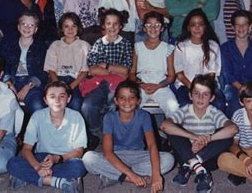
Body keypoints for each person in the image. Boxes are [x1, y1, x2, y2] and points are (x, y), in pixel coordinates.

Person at [83, 80, 175, 192]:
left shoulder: (144, 116)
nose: (127, 101)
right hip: (115, 156)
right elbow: (107, 152)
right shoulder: (109, 117)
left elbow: (152, 146)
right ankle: (130, 178)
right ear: (116, 101)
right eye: (122, 98)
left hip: (138, 156)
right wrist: (131, 175)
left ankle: (114, 176)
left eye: (131, 97)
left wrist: (156, 175)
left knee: (169, 159)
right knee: (88, 158)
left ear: (138, 101)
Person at [160, 75, 237, 193]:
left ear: (211, 98)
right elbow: (164, 125)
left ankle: (190, 166)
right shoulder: (185, 110)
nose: (200, 98)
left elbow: (233, 129)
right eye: (196, 93)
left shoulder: (214, 112)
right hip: (185, 153)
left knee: (227, 137)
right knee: (173, 129)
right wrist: (193, 137)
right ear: (190, 95)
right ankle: (199, 169)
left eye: (205, 94)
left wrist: (207, 139)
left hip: (207, 156)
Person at [7, 81, 87, 192]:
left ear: (68, 99)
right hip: (42, 158)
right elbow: (26, 149)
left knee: (79, 167)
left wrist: (57, 158)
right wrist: (37, 167)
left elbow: (78, 152)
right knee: (12, 163)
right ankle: (56, 182)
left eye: (62, 96)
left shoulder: (76, 117)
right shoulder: (37, 116)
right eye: (52, 96)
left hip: (64, 158)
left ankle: (30, 177)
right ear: (45, 100)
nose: (57, 100)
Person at [80, 8, 133, 149]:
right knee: (87, 106)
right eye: (108, 23)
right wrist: (114, 70)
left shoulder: (125, 44)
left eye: (116, 24)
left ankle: (113, 135)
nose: (112, 27)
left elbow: (126, 70)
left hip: (118, 85)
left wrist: (106, 66)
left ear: (121, 26)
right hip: (98, 84)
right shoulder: (98, 44)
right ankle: (97, 132)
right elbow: (92, 69)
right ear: (103, 25)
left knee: (114, 104)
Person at [172, 8, 227, 113]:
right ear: (188, 27)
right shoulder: (181, 46)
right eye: (193, 25)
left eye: (200, 24)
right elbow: (180, 74)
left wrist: (202, 89)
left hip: (209, 86)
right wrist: (193, 89)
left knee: (219, 104)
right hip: (186, 86)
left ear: (205, 26)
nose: (197, 28)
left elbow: (211, 73)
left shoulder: (213, 46)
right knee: (185, 105)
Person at [129, 11, 179, 118]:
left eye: (157, 25)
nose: (153, 28)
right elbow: (132, 73)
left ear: (162, 28)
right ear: (144, 28)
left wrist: (158, 86)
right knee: (130, 106)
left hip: (160, 85)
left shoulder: (168, 48)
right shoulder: (138, 47)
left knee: (174, 108)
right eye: (149, 25)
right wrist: (141, 84)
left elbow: (171, 76)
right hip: (141, 84)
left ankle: (169, 131)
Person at [0, 11, 48, 115]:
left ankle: (37, 130)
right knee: (3, 108)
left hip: (32, 83)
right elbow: (2, 65)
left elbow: (44, 71)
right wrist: (8, 82)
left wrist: (28, 86)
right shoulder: (8, 45)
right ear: (18, 27)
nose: (27, 28)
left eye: (31, 25)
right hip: (11, 81)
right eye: (24, 24)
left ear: (36, 29)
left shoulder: (41, 47)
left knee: (38, 107)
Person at [44, 13, 90, 112]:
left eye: (73, 26)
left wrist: (71, 87)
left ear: (78, 28)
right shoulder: (55, 45)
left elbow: (85, 71)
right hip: (57, 79)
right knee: (53, 102)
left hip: (76, 81)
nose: (70, 29)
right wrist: (58, 85)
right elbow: (51, 69)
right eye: (66, 26)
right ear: (61, 29)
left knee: (76, 103)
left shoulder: (84, 46)